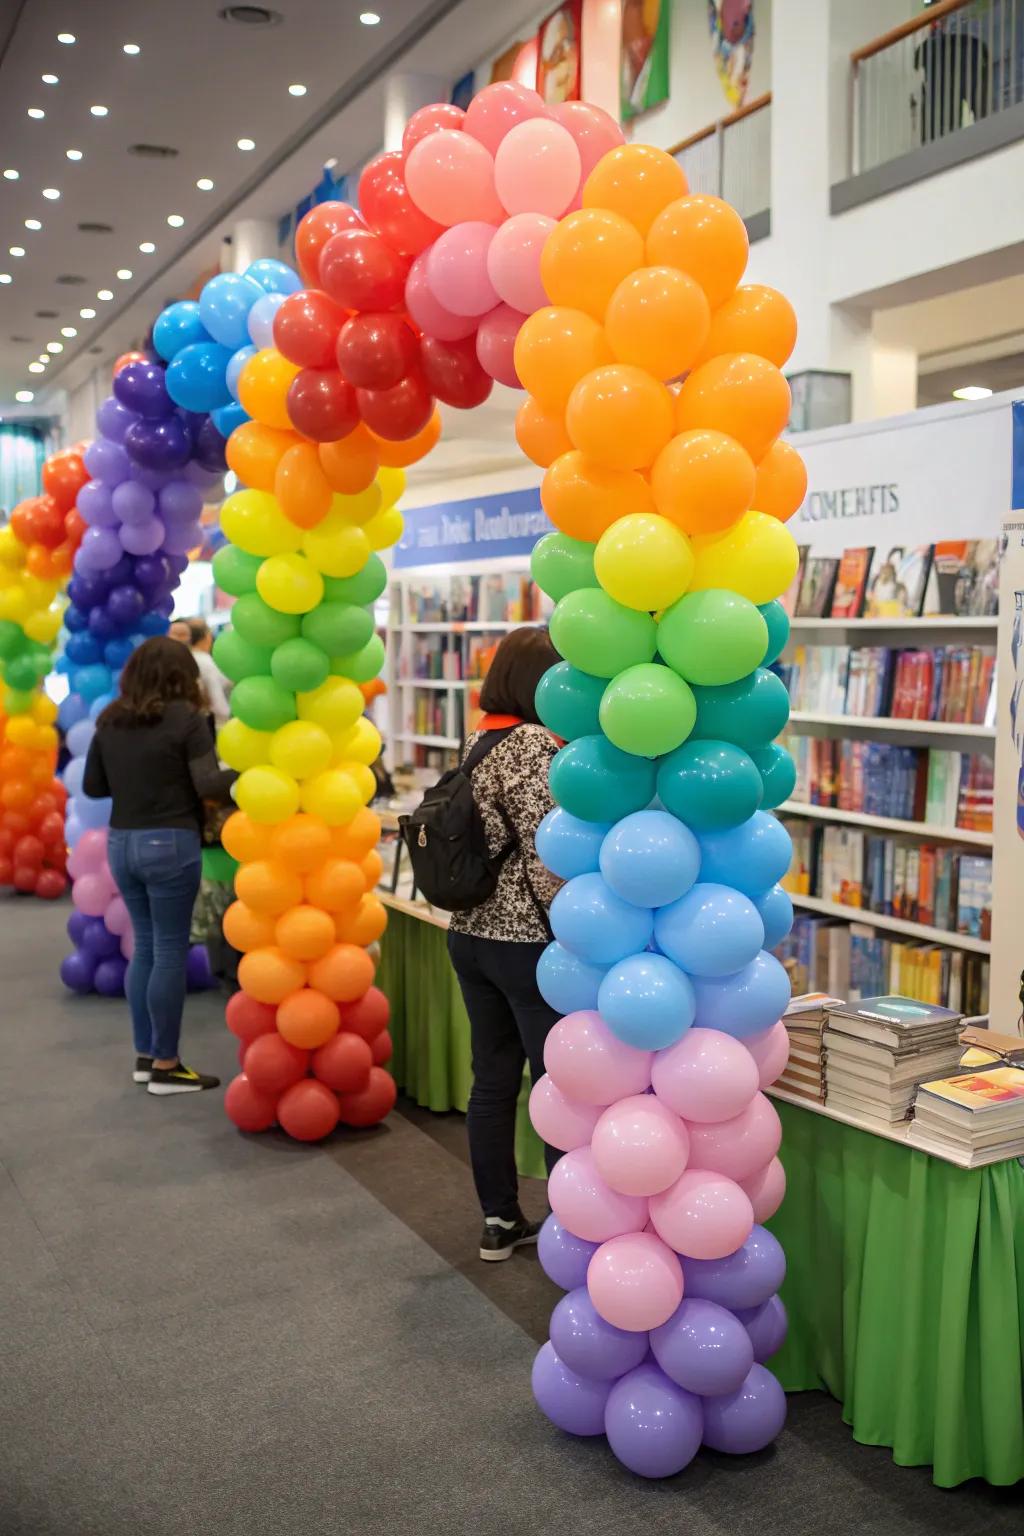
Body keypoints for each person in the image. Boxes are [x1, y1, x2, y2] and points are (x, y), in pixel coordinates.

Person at [446, 626, 563, 1261]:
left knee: (491, 1080)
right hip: (526, 942)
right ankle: (572, 1222)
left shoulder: (479, 739)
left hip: (470, 934)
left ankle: (498, 1219)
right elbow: (549, 854)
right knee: (557, 1085)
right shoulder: (533, 747)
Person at [83, 637, 236, 1095]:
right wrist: (252, 769)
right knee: (169, 949)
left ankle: (147, 1056)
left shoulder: (110, 720)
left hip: (122, 842)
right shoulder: (188, 719)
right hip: (170, 842)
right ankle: (167, 1066)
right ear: (182, 676)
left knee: (146, 947)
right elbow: (209, 785)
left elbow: (93, 787)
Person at [186, 617, 232, 730]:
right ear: (207, 636)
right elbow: (218, 703)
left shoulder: (186, 658)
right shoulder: (206, 663)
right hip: (215, 724)